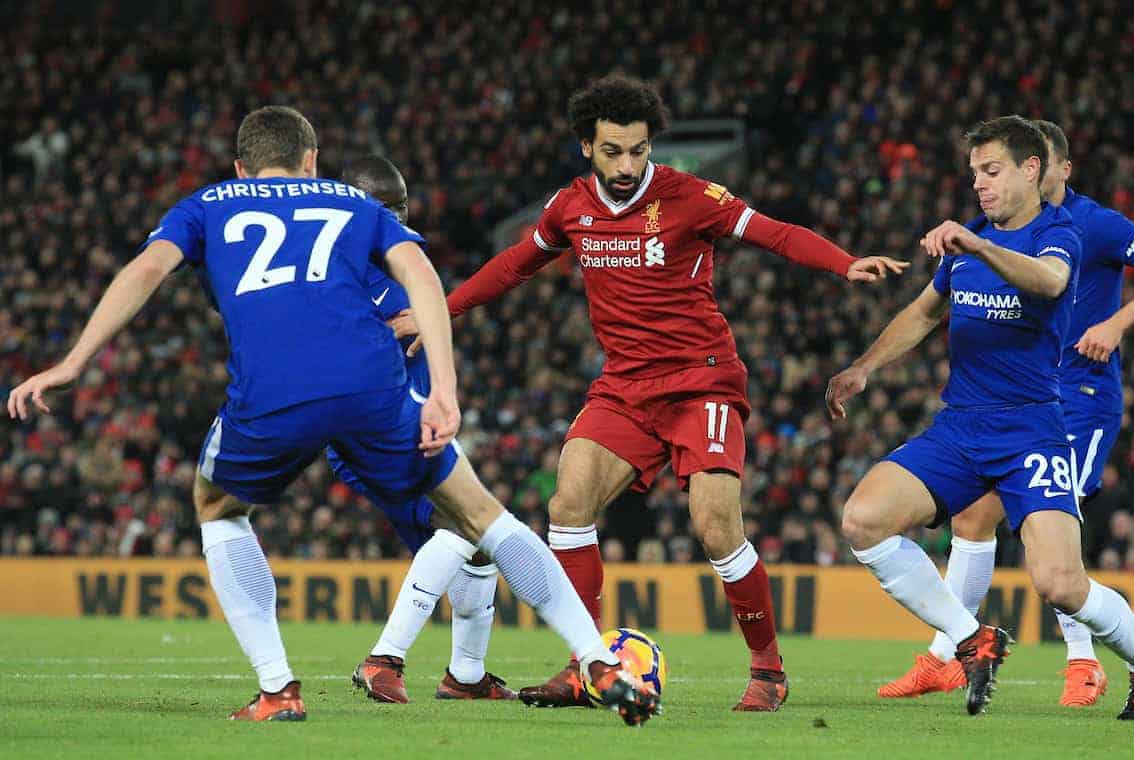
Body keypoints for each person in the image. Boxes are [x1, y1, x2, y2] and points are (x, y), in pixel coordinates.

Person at [6, 106, 658, 727]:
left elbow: (146, 268)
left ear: (241, 168)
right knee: (484, 516)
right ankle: (598, 661)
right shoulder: (353, 202)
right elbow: (422, 275)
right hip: (372, 386)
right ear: (312, 160)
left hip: (274, 391)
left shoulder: (205, 204)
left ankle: (277, 689)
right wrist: (445, 390)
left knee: (217, 507)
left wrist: (73, 362)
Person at [411, 74, 906, 712]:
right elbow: (513, 265)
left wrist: (845, 263)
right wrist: (441, 312)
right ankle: (584, 663)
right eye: (613, 150)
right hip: (624, 387)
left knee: (715, 527)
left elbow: (774, 232)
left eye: (638, 150)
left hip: (702, 382)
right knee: (568, 505)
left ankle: (768, 671)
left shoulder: (691, 196)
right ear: (586, 147)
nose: (627, 164)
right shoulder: (570, 207)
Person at [826, 115, 1134, 720]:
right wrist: (864, 368)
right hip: (961, 426)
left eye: (992, 171)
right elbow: (923, 313)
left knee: (1061, 584)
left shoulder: (1058, 231)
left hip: (1031, 429)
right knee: (863, 520)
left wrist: (979, 243)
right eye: (974, 174)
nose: (980, 185)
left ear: (1031, 169)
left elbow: (1050, 281)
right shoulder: (971, 243)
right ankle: (970, 639)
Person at [329, 155, 513, 702]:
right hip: (385, 431)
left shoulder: (379, 264)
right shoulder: (364, 274)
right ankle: (384, 660)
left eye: (402, 206)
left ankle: (467, 676)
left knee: (475, 548)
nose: (399, 219)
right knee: (465, 526)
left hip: (395, 426)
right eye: (387, 208)